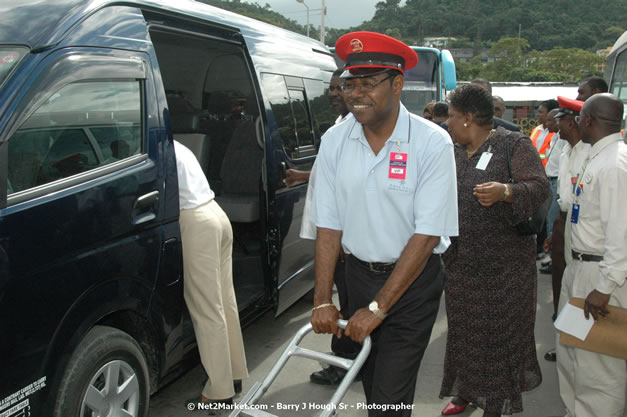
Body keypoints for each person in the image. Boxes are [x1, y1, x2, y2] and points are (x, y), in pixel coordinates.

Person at [311, 31, 458, 416]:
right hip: (358, 277)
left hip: (413, 284)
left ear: (397, 85)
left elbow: (426, 236)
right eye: (349, 84)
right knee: (373, 381)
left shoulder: (432, 144)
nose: (355, 94)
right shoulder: (335, 141)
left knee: (389, 396)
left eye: (367, 84)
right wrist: (323, 298)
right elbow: (328, 225)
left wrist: (379, 308)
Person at [439, 84, 546, 417]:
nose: (447, 124)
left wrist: (507, 191)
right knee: (465, 334)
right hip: (461, 263)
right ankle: (465, 392)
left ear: (469, 118)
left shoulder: (512, 144)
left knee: (499, 338)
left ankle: (495, 405)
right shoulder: (452, 151)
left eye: (452, 117)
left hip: (505, 267)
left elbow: (540, 187)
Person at [286, 69, 360, 385]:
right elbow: (325, 174)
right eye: (330, 88)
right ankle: (348, 361)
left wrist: (342, 242)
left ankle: (346, 364)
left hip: (344, 241)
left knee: (349, 303)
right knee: (345, 299)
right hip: (334, 236)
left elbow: (350, 189)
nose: (333, 93)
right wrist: (302, 176)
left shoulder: (356, 130)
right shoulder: (338, 128)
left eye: (339, 87)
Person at [556, 93, 626, 417]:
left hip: (600, 278)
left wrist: (606, 286)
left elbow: (621, 233)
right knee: (572, 353)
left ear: (588, 120)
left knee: (599, 369)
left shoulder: (615, 164)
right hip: (580, 270)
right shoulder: (599, 157)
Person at [175, 140, 248, 407]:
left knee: (206, 309)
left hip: (196, 222)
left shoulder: (158, 148)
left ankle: (219, 392)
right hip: (216, 214)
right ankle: (234, 374)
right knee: (224, 302)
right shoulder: (178, 146)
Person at [542, 96, 589, 362]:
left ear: (571, 122)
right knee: (561, 285)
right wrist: (555, 230)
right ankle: (565, 342)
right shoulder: (567, 148)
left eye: (560, 121)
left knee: (576, 287)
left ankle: (574, 344)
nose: (556, 126)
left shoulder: (587, 152)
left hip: (578, 224)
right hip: (564, 220)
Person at [538, 108, 564, 274]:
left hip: (556, 183)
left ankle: (555, 259)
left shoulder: (565, 140)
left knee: (554, 220)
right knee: (549, 221)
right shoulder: (554, 137)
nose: (547, 123)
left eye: (551, 120)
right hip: (549, 181)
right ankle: (551, 257)